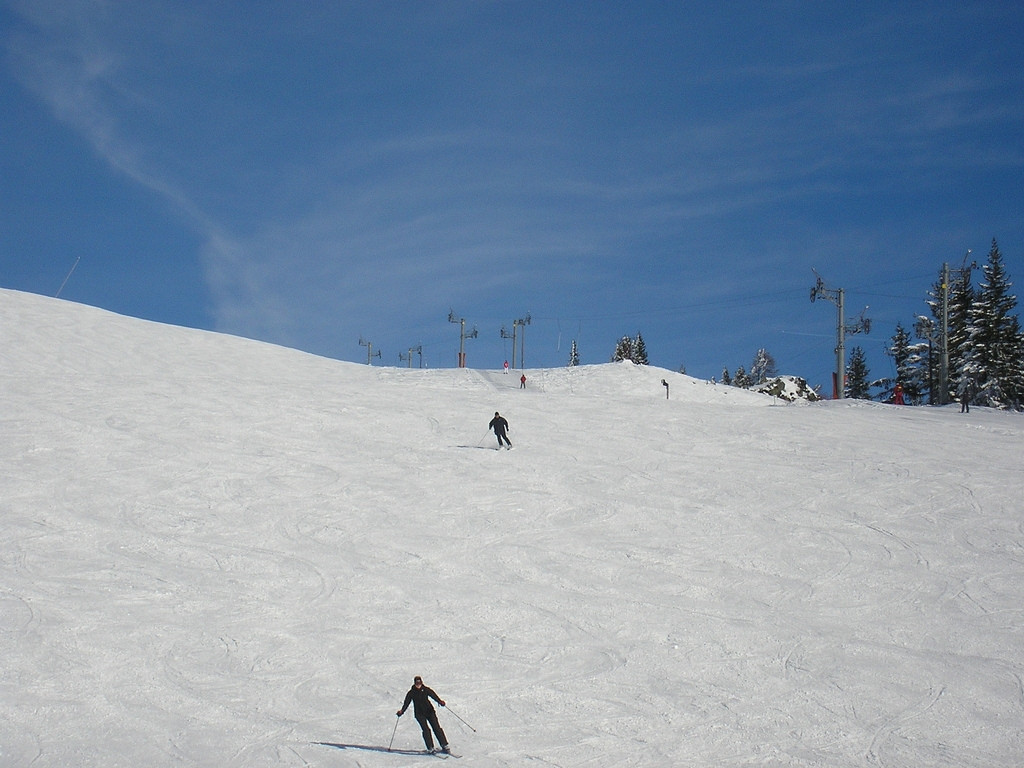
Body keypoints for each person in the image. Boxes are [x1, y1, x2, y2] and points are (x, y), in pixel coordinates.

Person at [397, 676, 449, 753]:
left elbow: (433, 695)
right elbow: (406, 703)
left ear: (421, 682)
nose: (418, 685)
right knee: (426, 730)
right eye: (417, 683)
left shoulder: (426, 689)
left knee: (436, 728)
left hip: (430, 711)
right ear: (414, 683)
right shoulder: (411, 693)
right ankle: (430, 747)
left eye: (419, 683)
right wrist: (402, 711)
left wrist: (440, 701)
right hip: (419, 714)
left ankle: (444, 745)